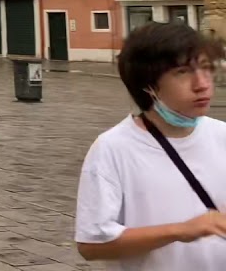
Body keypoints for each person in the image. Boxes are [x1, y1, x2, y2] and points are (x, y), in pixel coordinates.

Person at [75, 22, 226, 268]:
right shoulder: (113, 148)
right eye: (182, 72)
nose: (202, 83)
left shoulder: (222, 135)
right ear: (148, 84)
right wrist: (179, 230)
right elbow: (91, 244)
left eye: (206, 68)